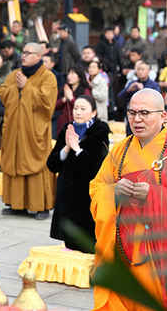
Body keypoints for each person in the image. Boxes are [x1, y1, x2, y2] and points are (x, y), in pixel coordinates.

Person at [90, 88, 167, 310]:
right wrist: (113, 192)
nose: (137, 119)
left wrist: (154, 195)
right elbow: (97, 187)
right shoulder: (120, 151)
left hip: (159, 254)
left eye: (145, 113)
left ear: (163, 116)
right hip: (122, 247)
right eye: (132, 112)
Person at [0, 42, 57, 219]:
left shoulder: (48, 77)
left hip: (34, 132)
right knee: (14, 163)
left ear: (39, 56)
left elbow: (47, 104)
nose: (23, 56)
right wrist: (17, 88)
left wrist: (27, 88)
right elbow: (2, 93)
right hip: (14, 130)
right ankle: (17, 205)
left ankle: (41, 207)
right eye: (22, 52)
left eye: (28, 53)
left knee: (35, 166)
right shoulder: (15, 75)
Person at [47, 95, 109, 252]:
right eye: (76, 108)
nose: (78, 112)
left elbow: (95, 167)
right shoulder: (68, 128)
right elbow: (52, 164)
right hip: (67, 191)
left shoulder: (99, 131)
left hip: (86, 193)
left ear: (93, 112)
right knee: (69, 241)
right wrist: (67, 148)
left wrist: (77, 148)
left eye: (83, 109)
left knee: (86, 241)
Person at [56, 65, 91, 135]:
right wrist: (64, 99)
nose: (69, 76)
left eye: (72, 73)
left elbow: (85, 107)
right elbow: (55, 106)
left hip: (78, 125)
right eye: (69, 73)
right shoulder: (66, 89)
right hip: (63, 125)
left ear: (79, 76)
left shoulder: (85, 91)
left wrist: (71, 98)